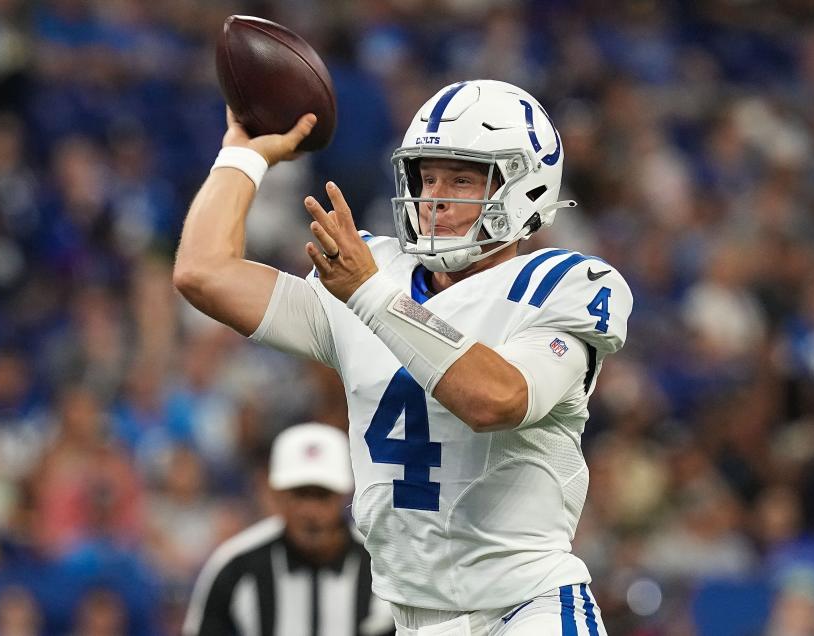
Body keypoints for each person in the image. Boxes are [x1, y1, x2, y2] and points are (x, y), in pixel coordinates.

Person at [174, 79, 632, 635]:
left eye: (462, 179)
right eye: (427, 176)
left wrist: (369, 294)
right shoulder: (373, 273)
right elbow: (203, 273)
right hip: (414, 621)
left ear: (525, 188)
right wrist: (242, 155)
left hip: (528, 610)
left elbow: (498, 399)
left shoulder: (563, 284)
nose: (435, 198)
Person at [182, 422, 394, 636]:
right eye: (299, 494)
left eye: (322, 495)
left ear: (345, 496)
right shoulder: (237, 566)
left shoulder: (381, 567)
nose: (310, 511)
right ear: (276, 495)